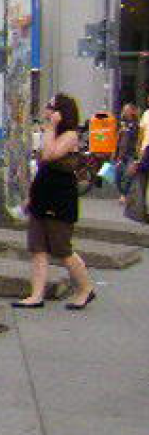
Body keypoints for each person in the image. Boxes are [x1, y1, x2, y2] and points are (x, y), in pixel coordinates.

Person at [14, 93, 97, 310]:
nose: (46, 110)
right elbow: (43, 165)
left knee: (61, 248)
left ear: (61, 111)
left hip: (60, 198)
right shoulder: (51, 133)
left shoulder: (70, 135)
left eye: (51, 106)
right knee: (37, 246)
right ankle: (36, 294)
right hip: (43, 193)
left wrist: (50, 128)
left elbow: (50, 155)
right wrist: (31, 197)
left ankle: (86, 288)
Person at [114, 102, 141, 204]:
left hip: (131, 154)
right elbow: (118, 139)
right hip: (120, 154)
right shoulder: (122, 123)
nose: (124, 111)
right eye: (124, 109)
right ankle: (124, 193)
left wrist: (127, 129)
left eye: (127, 109)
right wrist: (115, 153)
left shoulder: (136, 124)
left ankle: (125, 195)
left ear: (132, 111)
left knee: (128, 176)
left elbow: (136, 137)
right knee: (117, 177)